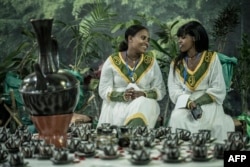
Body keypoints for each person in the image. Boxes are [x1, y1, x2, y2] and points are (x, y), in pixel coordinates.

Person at [167, 20, 235, 142]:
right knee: (177, 117)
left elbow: (218, 87)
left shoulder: (211, 58)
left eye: (183, 37)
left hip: (208, 102)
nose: (179, 41)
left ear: (194, 38)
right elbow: (174, 90)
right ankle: (183, 153)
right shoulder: (176, 63)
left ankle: (207, 154)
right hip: (185, 102)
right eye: (179, 38)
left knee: (207, 122)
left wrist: (197, 102)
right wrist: (189, 102)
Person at [97, 24, 166, 128]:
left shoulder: (151, 62)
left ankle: (130, 135)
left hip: (145, 105)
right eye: (143, 38)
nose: (146, 43)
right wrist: (122, 96)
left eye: (148, 40)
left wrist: (142, 93)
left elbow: (160, 90)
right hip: (116, 106)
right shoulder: (112, 60)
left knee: (142, 102)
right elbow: (103, 90)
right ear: (130, 38)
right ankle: (130, 136)